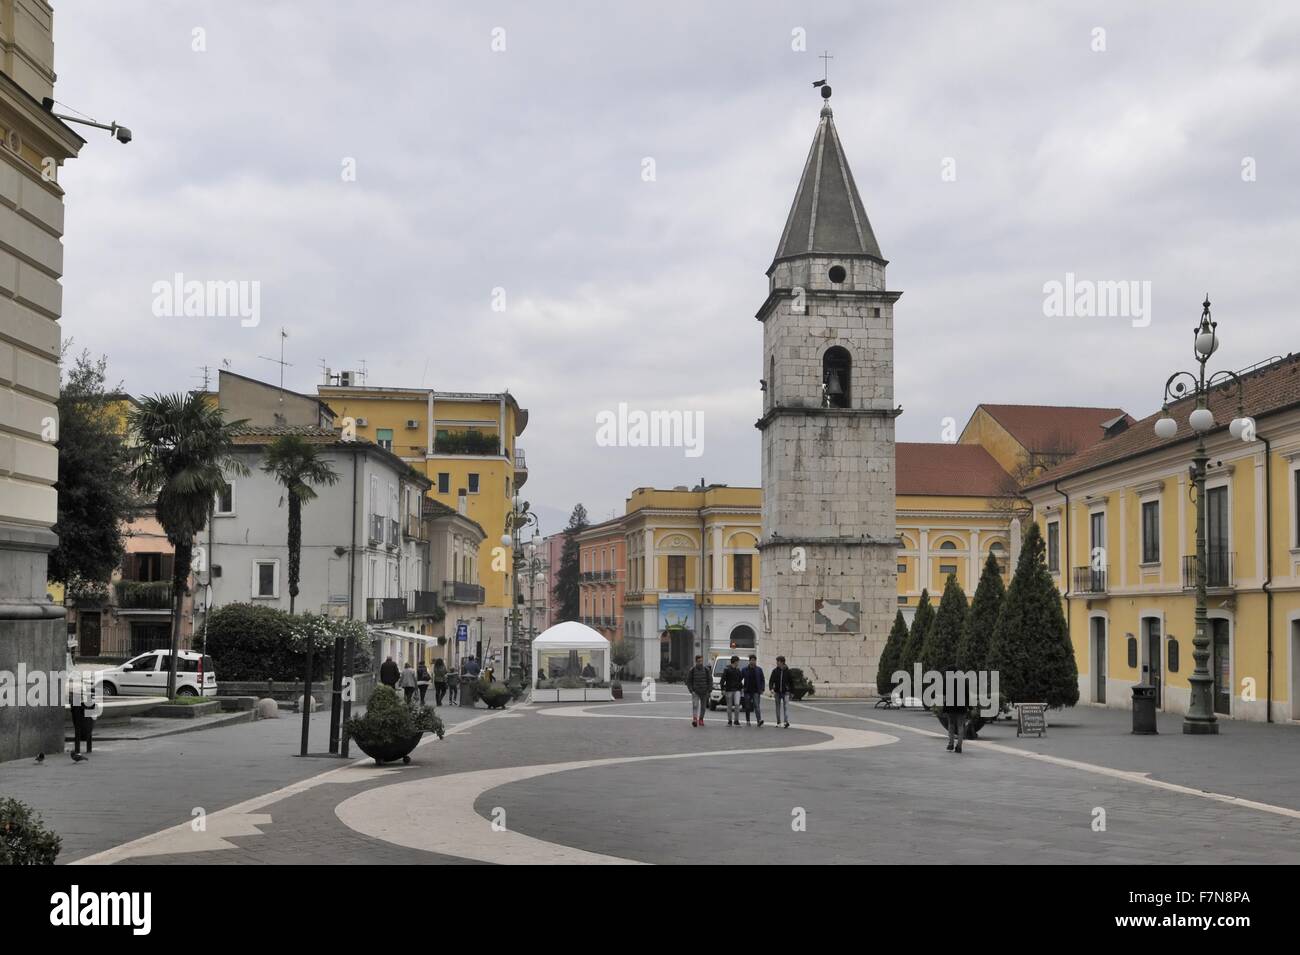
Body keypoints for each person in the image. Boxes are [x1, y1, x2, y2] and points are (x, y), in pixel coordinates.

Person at [943, 669, 968, 754]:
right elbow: (967, 694)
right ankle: (959, 747)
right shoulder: (963, 681)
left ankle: (951, 744)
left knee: (951, 725)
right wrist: (970, 707)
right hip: (961, 706)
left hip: (951, 706)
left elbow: (944, 693)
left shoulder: (948, 681)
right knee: (961, 726)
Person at [685, 655, 712, 727]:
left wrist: (709, 690)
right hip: (695, 691)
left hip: (704, 691)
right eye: (699, 661)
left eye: (701, 661)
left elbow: (710, 680)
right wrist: (691, 691)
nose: (700, 662)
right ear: (696, 661)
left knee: (703, 707)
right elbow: (688, 681)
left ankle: (701, 719)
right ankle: (694, 719)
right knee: (695, 705)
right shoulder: (692, 670)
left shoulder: (706, 670)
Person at [769, 655, 794, 728]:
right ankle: (778, 722)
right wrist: (771, 688)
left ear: (782, 662)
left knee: (786, 707)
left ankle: (786, 722)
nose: (777, 663)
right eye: (777, 661)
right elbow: (771, 681)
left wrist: (792, 692)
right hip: (777, 692)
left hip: (786, 692)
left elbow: (791, 682)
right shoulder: (775, 671)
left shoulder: (788, 671)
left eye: (778, 661)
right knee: (777, 707)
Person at [741, 654, 765, 727]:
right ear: (749, 661)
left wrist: (762, 688)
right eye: (751, 660)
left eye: (754, 660)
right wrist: (741, 687)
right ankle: (748, 721)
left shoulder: (759, 669)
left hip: (756, 691)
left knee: (757, 706)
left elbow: (762, 680)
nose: (753, 662)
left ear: (755, 661)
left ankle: (759, 720)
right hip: (747, 691)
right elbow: (739, 679)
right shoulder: (744, 669)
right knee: (747, 707)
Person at [721, 655, 743, 726]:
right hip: (729, 690)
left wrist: (741, 688)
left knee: (737, 705)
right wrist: (723, 689)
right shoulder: (727, 669)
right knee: (729, 706)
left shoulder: (738, 670)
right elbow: (722, 680)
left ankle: (736, 720)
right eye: (738, 662)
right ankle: (730, 721)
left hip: (737, 690)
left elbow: (740, 680)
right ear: (735, 662)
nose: (738, 663)